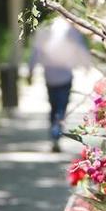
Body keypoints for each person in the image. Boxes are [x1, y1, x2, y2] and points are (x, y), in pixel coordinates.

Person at [28, 17, 91, 152]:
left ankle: (54, 133)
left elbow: (36, 52)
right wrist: (86, 66)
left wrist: (30, 71)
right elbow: (80, 48)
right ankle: (56, 133)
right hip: (65, 76)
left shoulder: (44, 29)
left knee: (53, 106)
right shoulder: (71, 30)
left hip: (49, 76)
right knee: (61, 108)